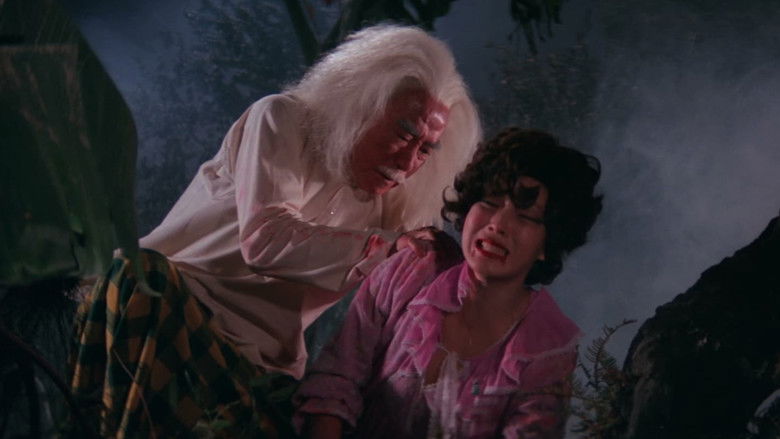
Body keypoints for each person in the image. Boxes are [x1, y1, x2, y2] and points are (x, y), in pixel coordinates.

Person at [69, 25, 480, 437]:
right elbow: (265, 239)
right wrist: (386, 247)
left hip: (259, 367)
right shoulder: (281, 119)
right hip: (173, 304)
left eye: (425, 149)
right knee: (140, 277)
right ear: (362, 105)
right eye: (404, 134)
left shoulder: (394, 211)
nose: (408, 162)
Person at [295, 128, 604, 438]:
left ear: (549, 243)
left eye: (525, 217)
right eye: (491, 202)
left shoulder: (547, 349)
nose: (498, 225)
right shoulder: (413, 269)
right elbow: (336, 382)